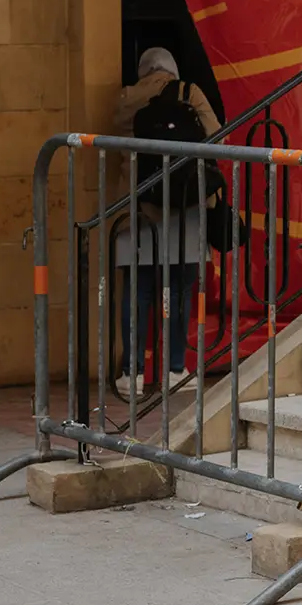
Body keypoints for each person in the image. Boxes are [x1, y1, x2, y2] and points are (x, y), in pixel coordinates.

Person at [113, 47, 218, 397]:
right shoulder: (189, 92)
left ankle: (132, 373)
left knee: (138, 289)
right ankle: (175, 369)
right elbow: (217, 134)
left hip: (138, 203)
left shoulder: (126, 98)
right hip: (185, 202)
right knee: (181, 288)